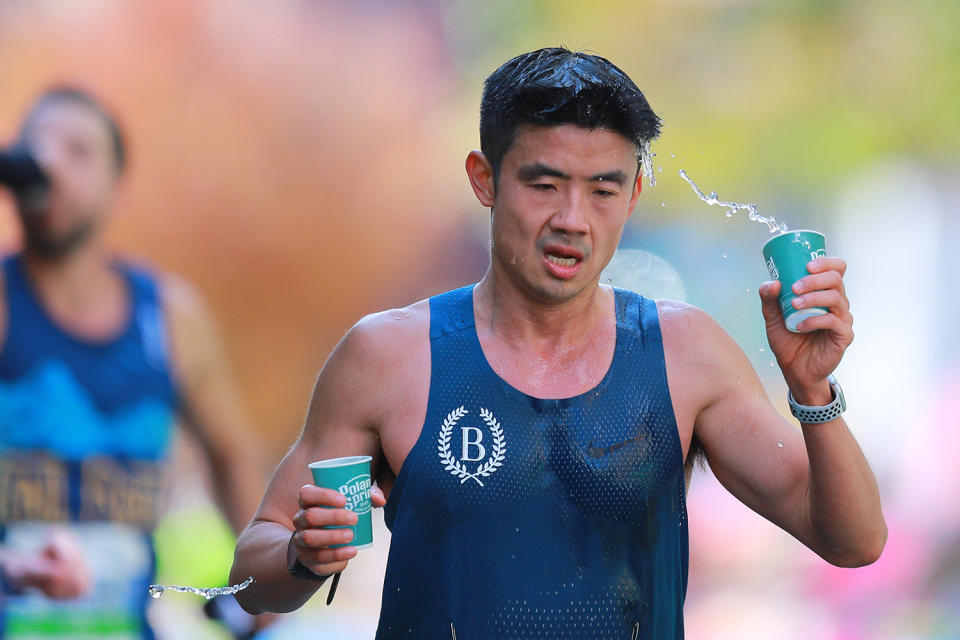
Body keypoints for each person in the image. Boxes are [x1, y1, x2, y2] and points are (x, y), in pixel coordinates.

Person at [230, 47, 886, 638]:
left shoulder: (685, 353)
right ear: (484, 179)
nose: (572, 220)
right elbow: (255, 570)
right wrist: (301, 556)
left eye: (603, 189)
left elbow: (854, 543)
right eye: (544, 185)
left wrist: (814, 391)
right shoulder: (390, 357)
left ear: (632, 195)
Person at [0, 86, 265, 638]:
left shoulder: (170, 315)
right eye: (36, 146)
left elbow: (233, 454)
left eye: (78, 150)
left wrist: (259, 586)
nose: (49, 161)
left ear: (117, 184)